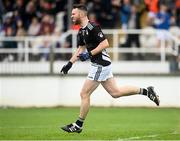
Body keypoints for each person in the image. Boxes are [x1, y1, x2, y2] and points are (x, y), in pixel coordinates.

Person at [60, 4, 160, 133]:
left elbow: (105, 43)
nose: (71, 16)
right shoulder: (81, 31)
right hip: (100, 64)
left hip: (100, 64)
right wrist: (69, 64)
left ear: (81, 14)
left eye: (73, 14)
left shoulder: (93, 27)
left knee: (84, 94)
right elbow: (80, 49)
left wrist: (90, 54)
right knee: (116, 93)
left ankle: (78, 125)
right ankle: (147, 91)